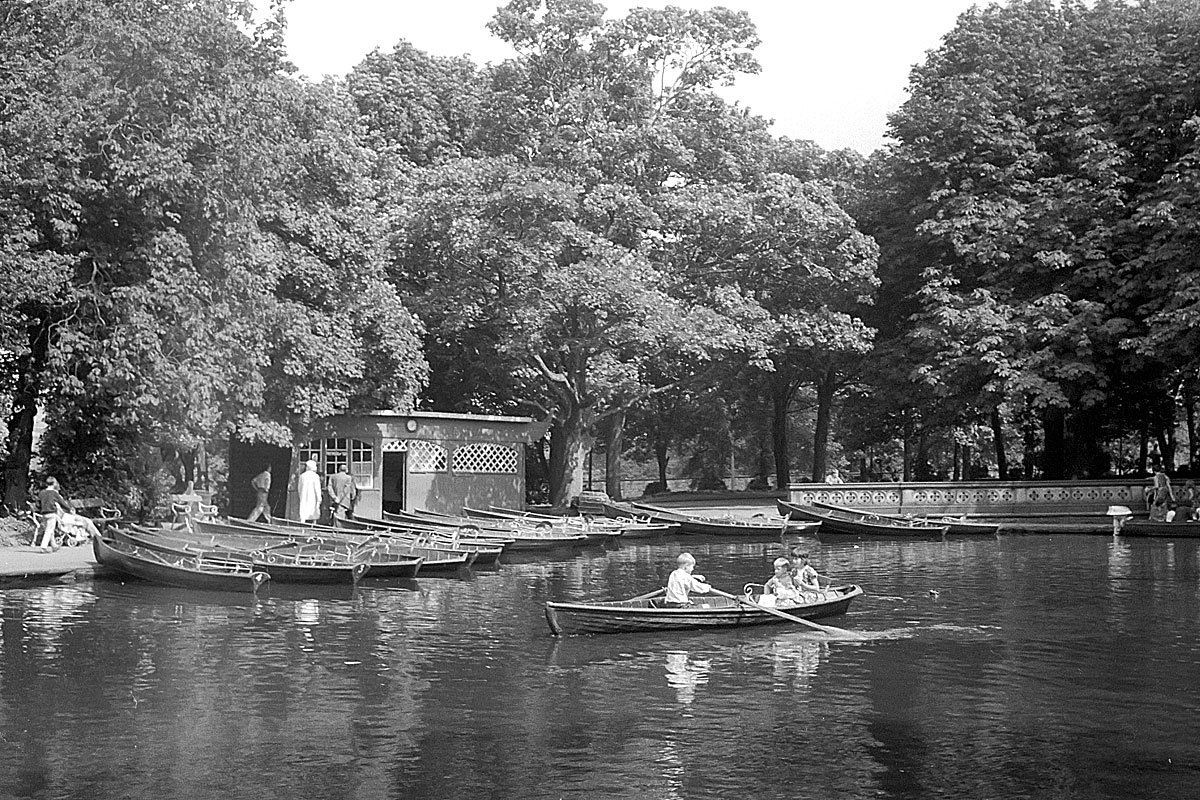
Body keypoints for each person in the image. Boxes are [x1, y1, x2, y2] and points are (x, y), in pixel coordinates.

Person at [35, 476, 100, 551]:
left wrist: (41, 510)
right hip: (52, 514)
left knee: (49, 529)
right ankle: (43, 547)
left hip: (44, 514)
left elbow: (38, 503)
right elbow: (62, 503)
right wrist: (69, 509)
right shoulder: (54, 493)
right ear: (54, 483)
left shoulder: (42, 493)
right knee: (49, 530)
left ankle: (54, 546)